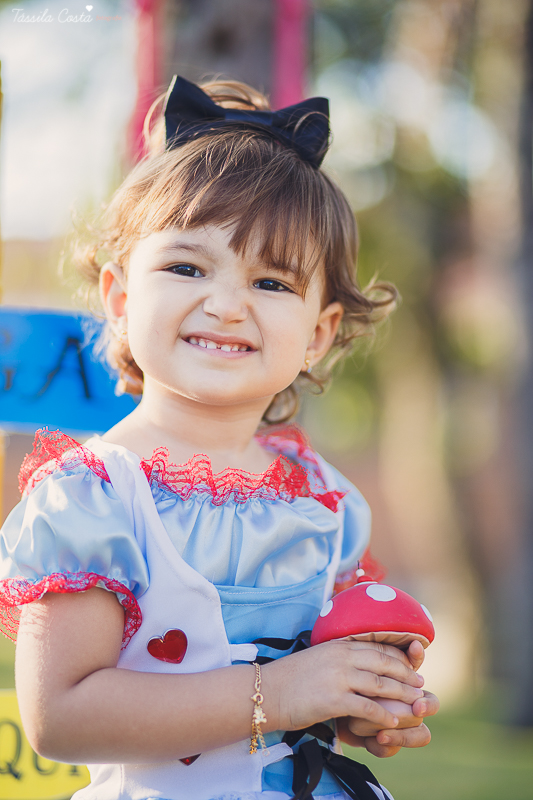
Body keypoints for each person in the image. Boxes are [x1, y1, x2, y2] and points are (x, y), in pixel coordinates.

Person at [0, 76, 439, 800]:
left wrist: (363, 703)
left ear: (319, 333)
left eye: (272, 283)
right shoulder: (92, 499)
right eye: (185, 267)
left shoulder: (324, 501)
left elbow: (317, 685)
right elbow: (61, 715)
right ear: (119, 298)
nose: (226, 304)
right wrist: (279, 693)